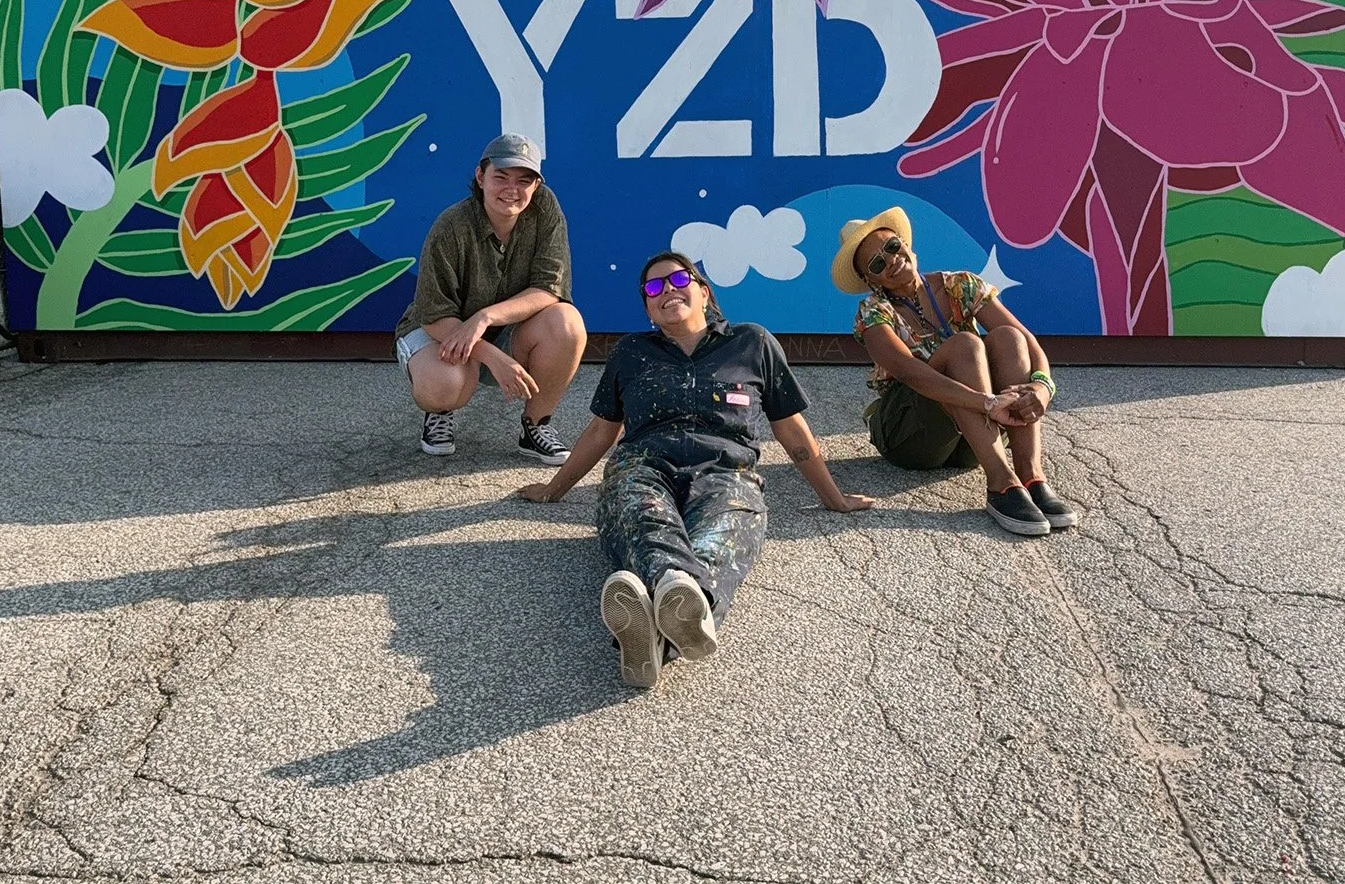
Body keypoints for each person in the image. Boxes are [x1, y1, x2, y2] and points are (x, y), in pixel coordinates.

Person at [517, 250, 873, 689]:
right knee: (643, 516)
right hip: (644, 466)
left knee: (724, 532)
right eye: (653, 287)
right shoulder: (631, 353)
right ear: (648, 309)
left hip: (728, 472)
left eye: (678, 280)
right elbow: (601, 431)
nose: (667, 290)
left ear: (704, 291)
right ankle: (677, 595)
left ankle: (654, 638)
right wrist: (556, 488)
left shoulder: (752, 343)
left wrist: (832, 497)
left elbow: (791, 429)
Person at [831, 207, 1077, 538]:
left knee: (1007, 337)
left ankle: (1031, 476)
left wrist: (1042, 388)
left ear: (905, 244)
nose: (890, 260)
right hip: (913, 434)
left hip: (971, 438)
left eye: (891, 247)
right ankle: (1001, 485)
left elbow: (1027, 342)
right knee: (966, 346)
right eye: (877, 264)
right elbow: (910, 373)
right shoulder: (873, 312)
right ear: (869, 280)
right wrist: (986, 402)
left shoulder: (959, 285)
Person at [394, 133, 586, 465]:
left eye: (524, 180)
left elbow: (548, 288)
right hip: (440, 329)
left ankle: (536, 425)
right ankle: (440, 412)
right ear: (480, 177)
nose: (512, 189)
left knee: (567, 323)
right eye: (501, 176)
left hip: (501, 328)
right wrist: (495, 358)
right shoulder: (451, 225)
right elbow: (434, 314)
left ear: (536, 186)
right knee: (447, 383)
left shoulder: (546, 209)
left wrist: (485, 318)